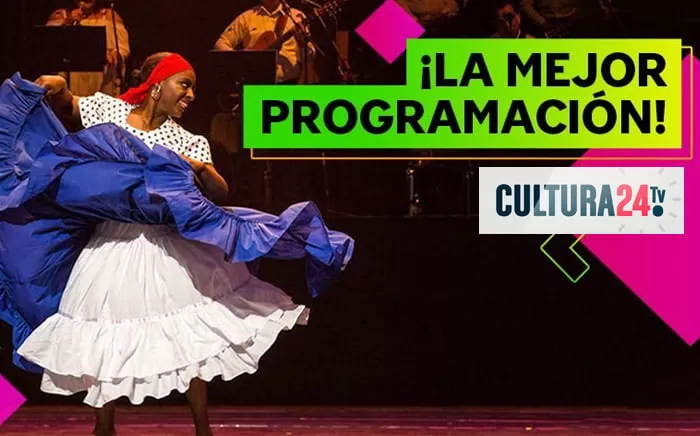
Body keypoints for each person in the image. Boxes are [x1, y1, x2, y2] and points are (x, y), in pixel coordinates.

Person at [11, 52, 338, 436]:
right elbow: (66, 103)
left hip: (164, 246)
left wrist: (197, 167)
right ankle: (103, 426)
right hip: (110, 241)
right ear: (157, 85)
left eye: (193, 87)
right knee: (104, 328)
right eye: (184, 84)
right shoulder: (108, 112)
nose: (191, 95)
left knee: (186, 332)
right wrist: (57, 85)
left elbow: (219, 192)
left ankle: (201, 426)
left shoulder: (188, 140)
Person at [214, 0, 316, 84]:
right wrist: (240, 61)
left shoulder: (296, 16)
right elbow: (220, 44)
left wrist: (303, 43)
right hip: (254, 85)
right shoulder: (247, 17)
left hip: (288, 85)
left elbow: (310, 56)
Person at [46, 0, 130, 97]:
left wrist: (115, 54)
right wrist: (67, 23)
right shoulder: (60, 15)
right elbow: (48, 48)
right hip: (71, 82)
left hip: (102, 80)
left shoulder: (109, 16)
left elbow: (122, 48)